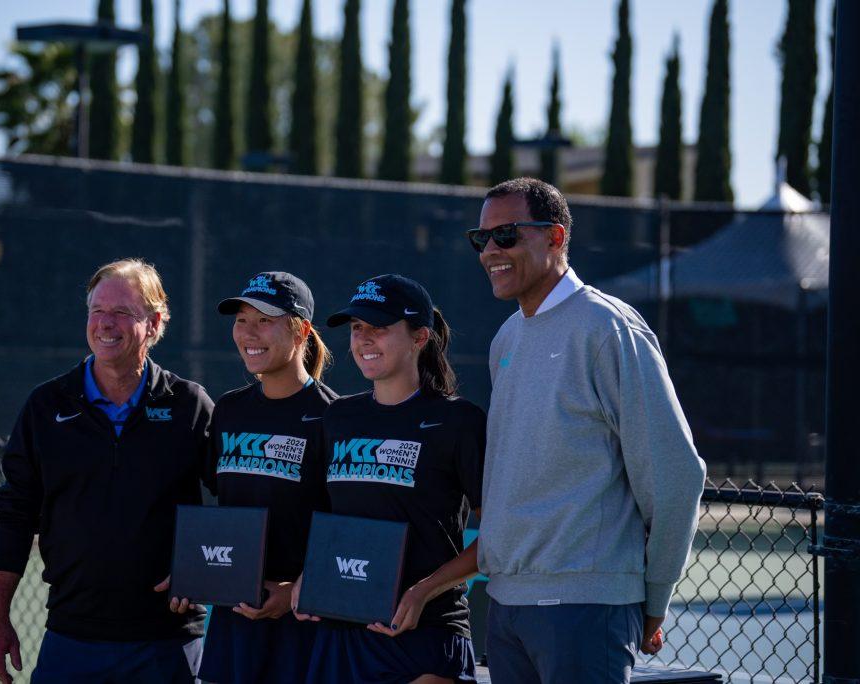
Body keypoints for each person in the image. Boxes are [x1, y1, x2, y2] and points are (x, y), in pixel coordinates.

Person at [470, 178, 706, 684]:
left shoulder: (608, 328)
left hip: (584, 608)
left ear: (555, 237)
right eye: (482, 238)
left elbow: (675, 475)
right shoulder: (506, 337)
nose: (491, 250)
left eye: (506, 234)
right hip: (506, 607)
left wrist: (656, 591)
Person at [0, 258, 213, 684]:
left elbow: (236, 498)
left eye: (123, 312)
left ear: (155, 322)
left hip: (169, 642)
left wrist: (201, 568)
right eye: (97, 311)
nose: (105, 324)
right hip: (72, 640)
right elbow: (15, 515)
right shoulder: (46, 405)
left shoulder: (189, 405)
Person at [293, 274, 486, 684]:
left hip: (425, 635)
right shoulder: (339, 417)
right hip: (342, 630)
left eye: (378, 328)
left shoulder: (457, 421)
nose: (363, 339)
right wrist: (308, 577)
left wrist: (422, 592)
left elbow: (499, 537)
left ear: (419, 337)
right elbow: (331, 521)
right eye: (357, 328)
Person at [174, 271, 338, 683]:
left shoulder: (334, 417)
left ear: (300, 330)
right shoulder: (229, 410)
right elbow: (221, 509)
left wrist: (295, 590)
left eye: (264, 320)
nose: (249, 332)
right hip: (234, 628)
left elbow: (348, 527)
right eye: (241, 319)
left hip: (306, 627)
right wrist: (192, 570)